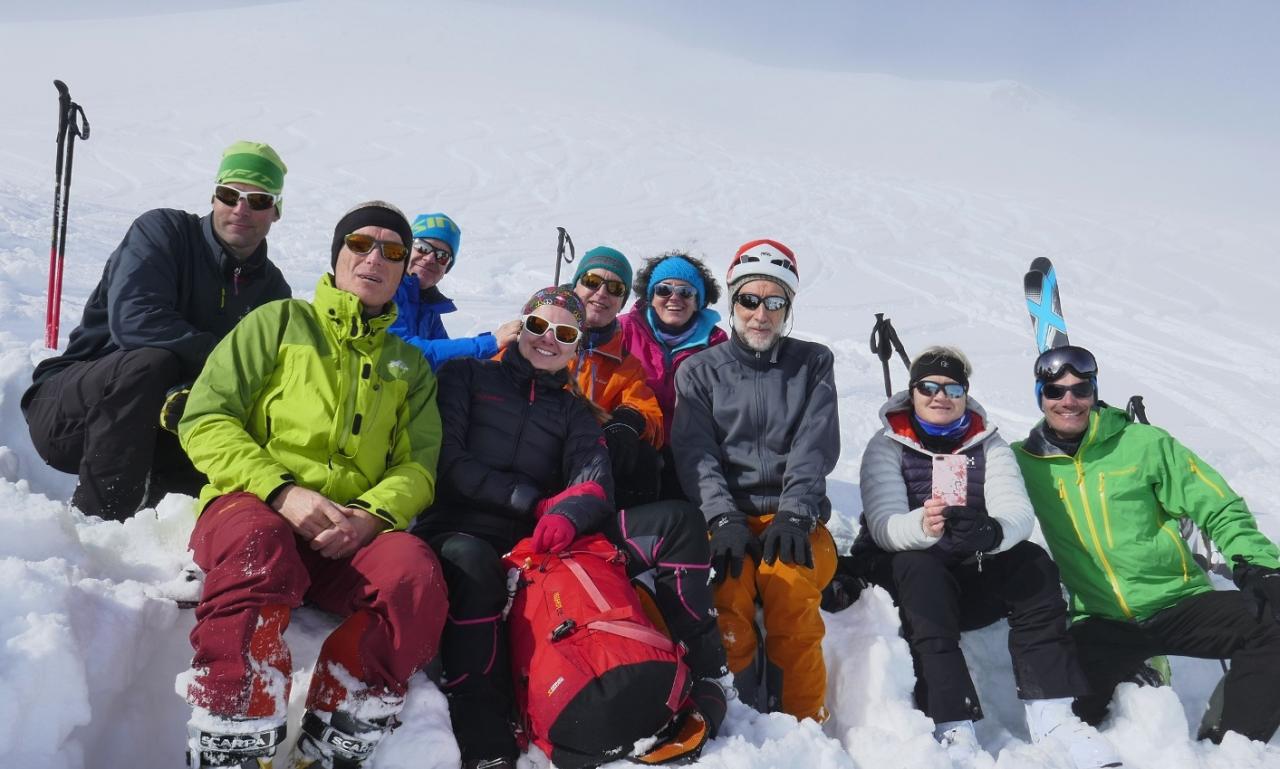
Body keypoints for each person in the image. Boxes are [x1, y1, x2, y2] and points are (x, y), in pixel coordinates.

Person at [176, 201, 447, 769]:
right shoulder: (277, 323)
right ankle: (234, 725)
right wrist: (280, 491)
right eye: (360, 243)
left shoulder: (409, 367)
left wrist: (370, 516)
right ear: (337, 253)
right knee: (260, 541)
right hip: (252, 508)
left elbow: (419, 466)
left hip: (345, 534)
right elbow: (205, 419)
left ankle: (341, 723)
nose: (375, 257)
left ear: (403, 270)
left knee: (413, 574)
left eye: (393, 251)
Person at [413, 287, 730, 769]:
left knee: (679, 522)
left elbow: (593, 477)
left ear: (577, 346)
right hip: (462, 527)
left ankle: (707, 674)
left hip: (545, 538)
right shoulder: (466, 377)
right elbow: (449, 461)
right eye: (539, 327)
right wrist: (534, 503)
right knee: (476, 566)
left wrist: (568, 513)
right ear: (522, 326)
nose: (548, 340)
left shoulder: (572, 408)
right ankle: (482, 722)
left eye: (564, 333)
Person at [852, 346, 1120, 768]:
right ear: (913, 392)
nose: (941, 396)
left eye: (952, 387)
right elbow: (885, 526)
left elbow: (1016, 512)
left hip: (967, 571)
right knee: (919, 567)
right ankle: (951, 718)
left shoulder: (987, 443)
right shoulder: (887, 446)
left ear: (965, 393)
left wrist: (990, 531)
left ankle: (1052, 713)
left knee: (1031, 563)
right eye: (929, 387)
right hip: (905, 579)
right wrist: (922, 525)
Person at [1014, 345, 1280, 745]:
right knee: (1073, 717)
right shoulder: (1022, 462)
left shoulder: (1144, 444)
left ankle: (1232, 746)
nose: (1069, 400)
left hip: (1178, 603)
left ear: (1094, 392)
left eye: (1081, 389)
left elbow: (1218, 505)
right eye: (1055, 391)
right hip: (1100, 621)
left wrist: (1258, 563)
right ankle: (1137, 669)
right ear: (1040, 396)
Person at [21, 140, 292, 521]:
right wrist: (222, 366)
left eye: (259, 200)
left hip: (171, 428)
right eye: (229, 194)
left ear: (276, 211)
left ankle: (183, 532)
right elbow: (136, 320)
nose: (240, 209)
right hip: (72, 413)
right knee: (152, 360)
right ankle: (100, 527)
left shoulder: (274, 292)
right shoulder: (164, 231)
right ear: (214, 197)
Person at [671, 239, 838, 722]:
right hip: (729, 519)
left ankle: (803, 723)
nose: (760, 314)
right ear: (733, 302)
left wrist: (795, 512)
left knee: (790, 594)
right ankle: (739, 721)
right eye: (749, 300)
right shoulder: (699, 372)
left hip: (795, 518)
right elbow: (695, 453)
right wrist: (721, 516)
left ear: (788, 308)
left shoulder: (812, 363)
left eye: (774, 302)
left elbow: (815, 444)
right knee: (725, 596)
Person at [618, 251, 726, 498]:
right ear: (650, 295)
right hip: (636, 443)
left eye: (686, 292)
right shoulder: (623, 329)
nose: (674, 298)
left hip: (691, 449)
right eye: (664, 290)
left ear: (698, 300)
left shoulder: (716, 343)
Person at [567, 245, 666, 507]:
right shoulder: (540, 335)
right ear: (575, 285)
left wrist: (627, 421)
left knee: (643, 457)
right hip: (533, 451)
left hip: (587, 462)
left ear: (622, 303)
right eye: (592, 282)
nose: (602, 294)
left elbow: (649, 413)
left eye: (615, 289)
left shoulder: (625, 364)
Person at [388, 212, 521, 370]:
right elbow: (401, 354)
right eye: (423, 247)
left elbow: (448, 361)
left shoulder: (428, 307)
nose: (430, 258)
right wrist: (490, 343)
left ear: (446, 269)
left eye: (442, 256)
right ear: (407, 249)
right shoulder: (385, 290)